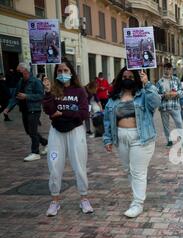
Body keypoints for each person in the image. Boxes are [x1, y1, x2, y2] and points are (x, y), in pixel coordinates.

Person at [103, 68, 161, 218]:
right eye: (124, 76)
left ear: (135, 78)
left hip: (141, 138)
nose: (127, 78)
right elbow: (108, 120)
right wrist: (107, 138)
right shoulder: (114, 98)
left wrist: (147, 83)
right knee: (128, 170)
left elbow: (156, 101)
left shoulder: (143, 95)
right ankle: (137, 198)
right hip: (121, 138)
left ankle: (137, 203)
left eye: (130, 76)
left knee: (138, 172)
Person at [42, 57, 93, 217]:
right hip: (56, 133)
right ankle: (55, 200)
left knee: (79, 165)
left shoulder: (79, 91)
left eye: (65, 70)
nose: (62, 73)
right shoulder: (54, 91)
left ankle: (84, 198)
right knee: (54, 165)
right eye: (59, 71)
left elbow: (84, 113)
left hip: (76, 132)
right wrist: (48, 92)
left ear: (71, 72)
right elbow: (49, 110)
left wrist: (63, 113)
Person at [3, 62, 48, 161]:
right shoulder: (20, 81)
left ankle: (35, 152)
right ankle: (46, 143)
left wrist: (27, 96)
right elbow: (16, 96)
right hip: (24, 110)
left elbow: (41, 96)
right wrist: (8, 108)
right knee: (29, 131)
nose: (17, 72)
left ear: (25, 70)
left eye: (19, 70)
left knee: (32, 131)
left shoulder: (36, 81)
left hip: (34, 109)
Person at [156, 63, 183, 147]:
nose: (168, 70)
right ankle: (169, 140)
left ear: (172, 70)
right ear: (164, 69)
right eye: (166, 68)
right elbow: (156, 95)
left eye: (169, 69)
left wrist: (176, 93)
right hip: (164, 106)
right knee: (166, 125)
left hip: (175, 106)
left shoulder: (176, 80)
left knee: (179, 123)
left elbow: (181, 91)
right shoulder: (159, 82)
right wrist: (163, 95)